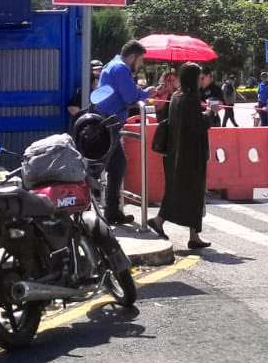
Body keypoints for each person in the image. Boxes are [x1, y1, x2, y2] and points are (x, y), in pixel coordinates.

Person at [147, 61, 218, 251]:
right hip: (191, 155)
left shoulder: (177, 96)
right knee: (193, 193)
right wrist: (210, 112)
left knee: (176, 191)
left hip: (175, 153)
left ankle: (165, 223)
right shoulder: (191, 98)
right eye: (199, 77)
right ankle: (189, 234)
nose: (201, 80)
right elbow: (197, 125)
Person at [89, 39, 149, 226]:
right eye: (139, 61)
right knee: (97, 169)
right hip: (110, 123)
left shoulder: (113, 65)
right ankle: (87, 212)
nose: (140, 65)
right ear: (132, 57)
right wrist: (147, 93)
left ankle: (112, 212)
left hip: (109, 121)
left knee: (117, 166)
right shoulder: (121, 68)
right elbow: (130, 96)